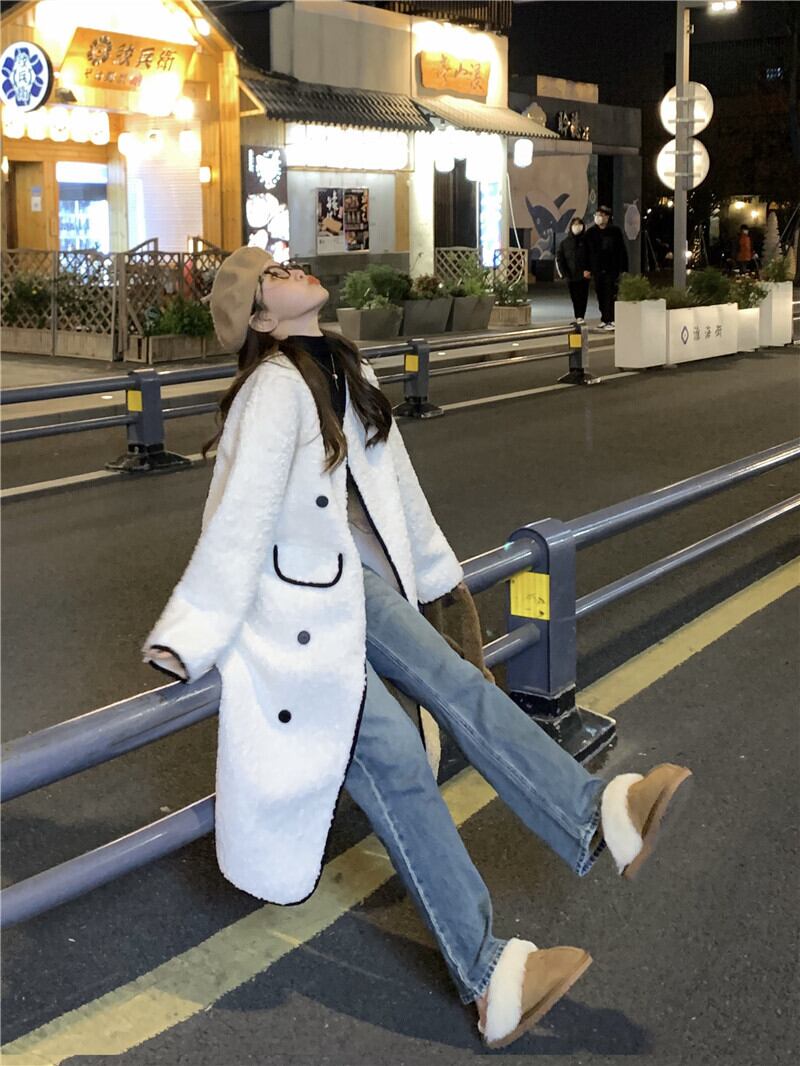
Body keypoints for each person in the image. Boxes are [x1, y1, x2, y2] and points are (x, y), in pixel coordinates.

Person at [141, 247, 693, 1050]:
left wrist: (440, 578)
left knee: (460, 686)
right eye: (274, 276)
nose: (294, 269)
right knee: (398, 760)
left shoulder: (344, 366)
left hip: (356, 589)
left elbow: (396, 491)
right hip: (290, 617)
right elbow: (233, 525)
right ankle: (492, 971)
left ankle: (599, 815)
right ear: (261, 316)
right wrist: (188, 636)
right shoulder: (270, 391)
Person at [586, 205, 629, 331]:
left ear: (607, 217)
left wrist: (624, 268)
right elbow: (587, 252)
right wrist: (587, 268)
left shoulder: (615, 231)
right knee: (600, 294)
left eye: (602, 215)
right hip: (597, 269)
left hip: (612, 268)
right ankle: (604, 319)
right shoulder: (591, 232)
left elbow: (621, 250)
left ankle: (611, 319)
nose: (599, 217)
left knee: (611, 294)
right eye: (597, 215)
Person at [556, 217, 591, 324]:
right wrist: (564, 273)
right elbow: (560, 259)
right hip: (571, 275)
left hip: (584, 275)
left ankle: (580, 317)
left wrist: (589, 270)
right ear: (571, 226)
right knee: (574, 297)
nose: (577, 227)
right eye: (575, 224)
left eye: (579, 224)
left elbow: (592, 257)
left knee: (582, 296)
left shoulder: (587, 242)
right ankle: (578, 316)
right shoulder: (565, 243)